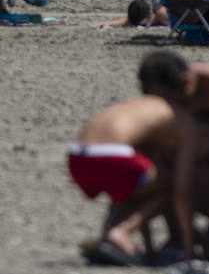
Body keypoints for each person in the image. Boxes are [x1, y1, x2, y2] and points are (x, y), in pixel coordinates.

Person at [69, 94, 197, 264]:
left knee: (133, 186)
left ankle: (108, 236)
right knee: (169, 184)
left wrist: (149, 249)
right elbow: (181, 191)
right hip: (111, 155)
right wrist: (189, 250)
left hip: (76, 154)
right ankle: (121, 232)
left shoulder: (136, 105)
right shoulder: (176, 115)